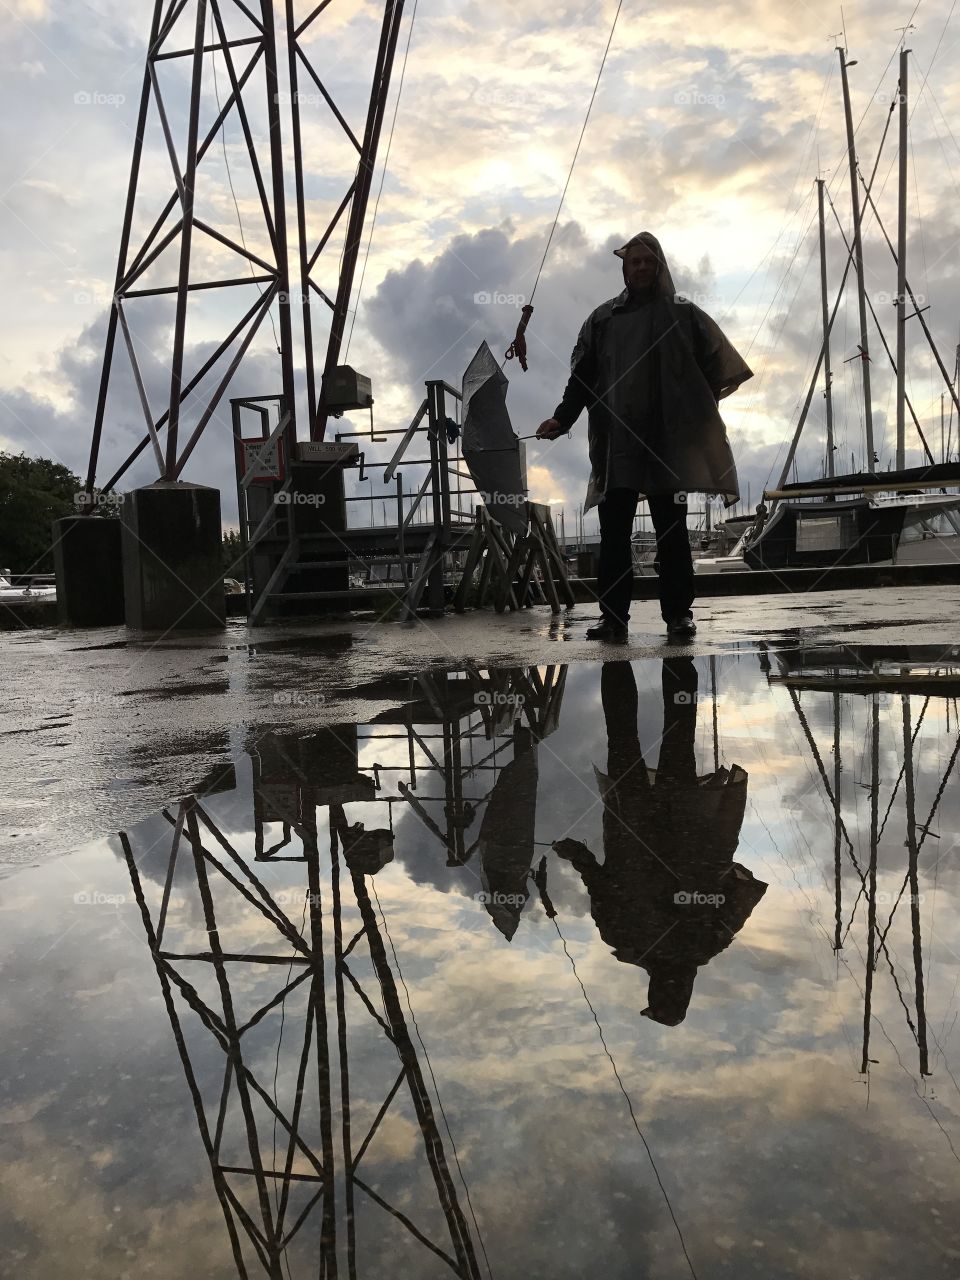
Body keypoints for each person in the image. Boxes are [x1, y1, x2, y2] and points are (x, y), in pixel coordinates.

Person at [536, 232, 752, 641]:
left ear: (659, 266)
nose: (641, 268)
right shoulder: (602, 319)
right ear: (624, 267)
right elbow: (582, 377)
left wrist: (693, 407)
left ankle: (679, 615)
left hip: (669, 444)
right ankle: (613, 618)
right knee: (614, 533)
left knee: (672, 531)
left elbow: (714, 363)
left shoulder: (683, 314)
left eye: (648, 261)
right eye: (634, 261)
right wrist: (561, 420)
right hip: (616, 443)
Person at [552, 658, 767, 1025]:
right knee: (623, 737)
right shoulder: (624, 942)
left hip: (685, 825)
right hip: (632, 827)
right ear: (655, 992)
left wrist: (707, 873)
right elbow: (600, 885)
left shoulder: (709, 943)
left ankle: (678, 656)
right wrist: (576, 853)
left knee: (678, 737)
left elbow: (742, 891)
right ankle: (615, 656)